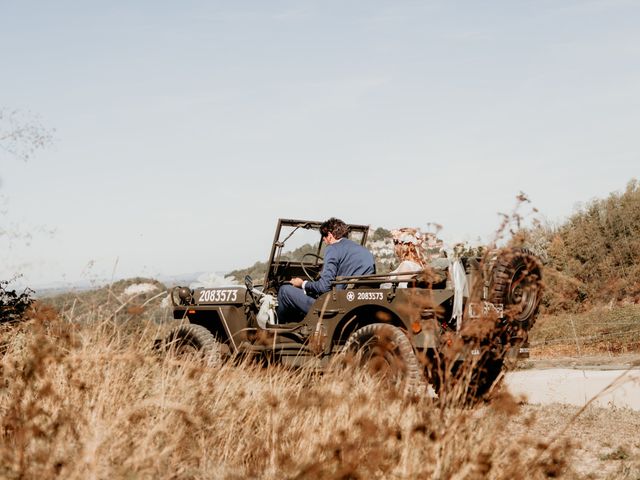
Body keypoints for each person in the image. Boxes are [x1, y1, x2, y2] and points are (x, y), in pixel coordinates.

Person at [276, 217, 375, 323]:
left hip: (334, 307)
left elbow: (324, 287)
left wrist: (302, 284)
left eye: (324, 238)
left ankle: (277, 332)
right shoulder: (365, 251)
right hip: (357, 304)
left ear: (330, 235)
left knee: (284, 291)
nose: (324, 241)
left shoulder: (333, 248)